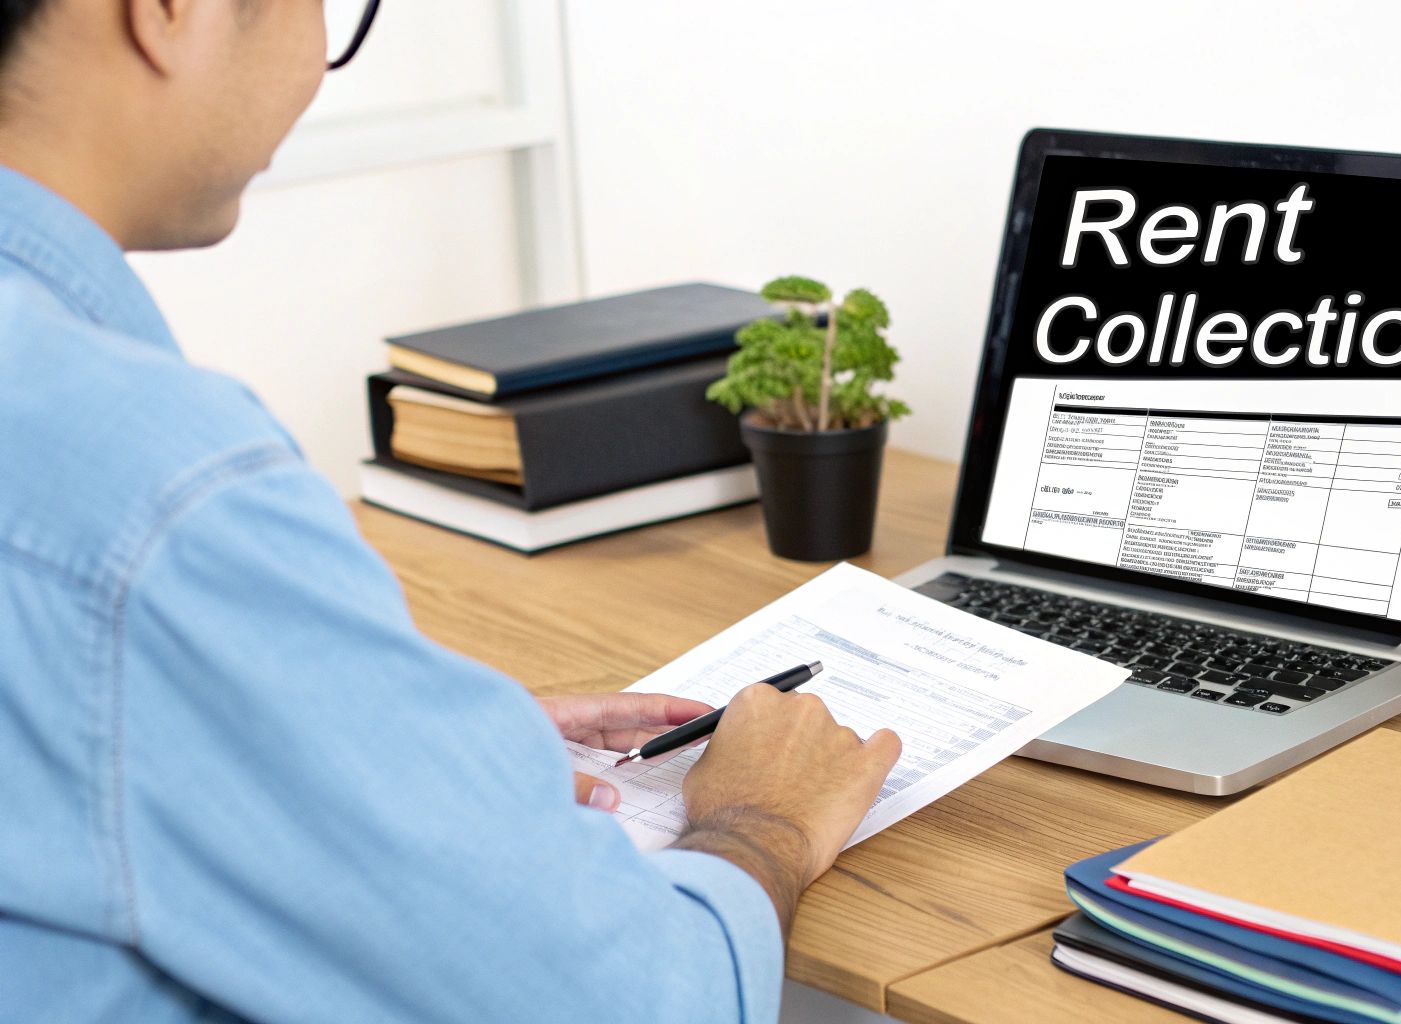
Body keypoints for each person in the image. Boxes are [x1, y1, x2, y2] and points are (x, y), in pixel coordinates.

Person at [0, 2, 901, 1021]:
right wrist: (757, 820)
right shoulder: (160, 493)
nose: (318, 63)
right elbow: (622, 998)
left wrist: (388, 738)